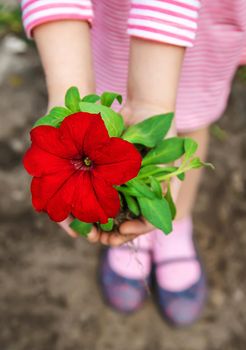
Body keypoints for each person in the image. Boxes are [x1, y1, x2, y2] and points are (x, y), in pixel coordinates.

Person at [21, 0, 246, 326]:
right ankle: (137, 230)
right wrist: (68, 88)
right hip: (104, 20)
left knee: (190, 118)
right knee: (105, 98)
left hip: (201, 21)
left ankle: (177, 223)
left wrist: (153, 100)